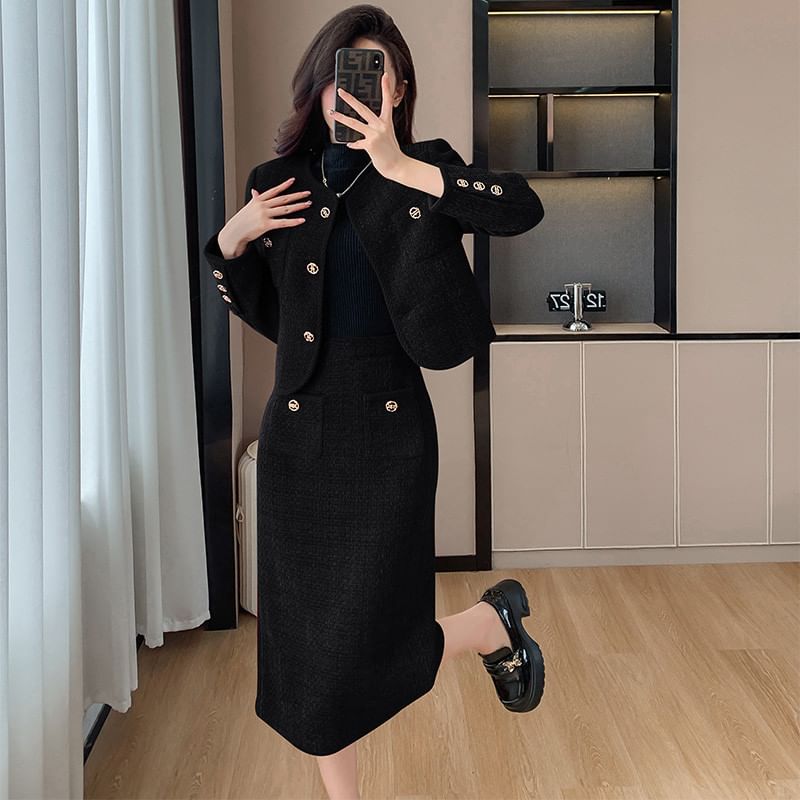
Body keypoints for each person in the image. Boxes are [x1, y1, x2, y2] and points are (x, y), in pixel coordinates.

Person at [203, 5, 546, 798]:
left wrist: (400, 167)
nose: (353, 89)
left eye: (373, 74)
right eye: (340, 73)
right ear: (318, 86)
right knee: (307, 644)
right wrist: (233, 239)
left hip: (388, 434)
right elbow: (275, 316)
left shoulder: (426, 169)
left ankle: (485, 625)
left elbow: (519, 207)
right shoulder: (276, 184)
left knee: (367, 633)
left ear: (397, 89)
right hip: (299, 435)